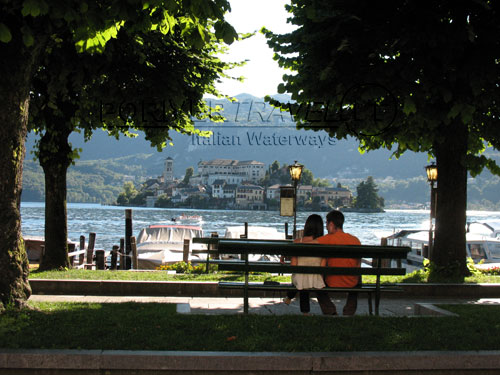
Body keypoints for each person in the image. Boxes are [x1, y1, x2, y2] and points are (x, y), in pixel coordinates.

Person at [316, 209, 361, 316]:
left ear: (331, 224)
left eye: (326, 224)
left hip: (332, 281)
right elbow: (358, 263)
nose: (326, 227)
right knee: (358, 276)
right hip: (352, 282)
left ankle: (330, 310)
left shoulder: (327, 239)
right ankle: (349, 311)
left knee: (317, 282)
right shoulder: (355, 240)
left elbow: (309, 244)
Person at [282, 214, 328, 315]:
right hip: (316, 277)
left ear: (307, 226)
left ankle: (303, 311)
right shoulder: (324, 244)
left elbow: (294, 265)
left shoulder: (297, 242)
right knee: (305, 281)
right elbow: (322, 267)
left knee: (301, 280)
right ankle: (301, 308)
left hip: (300, 277)